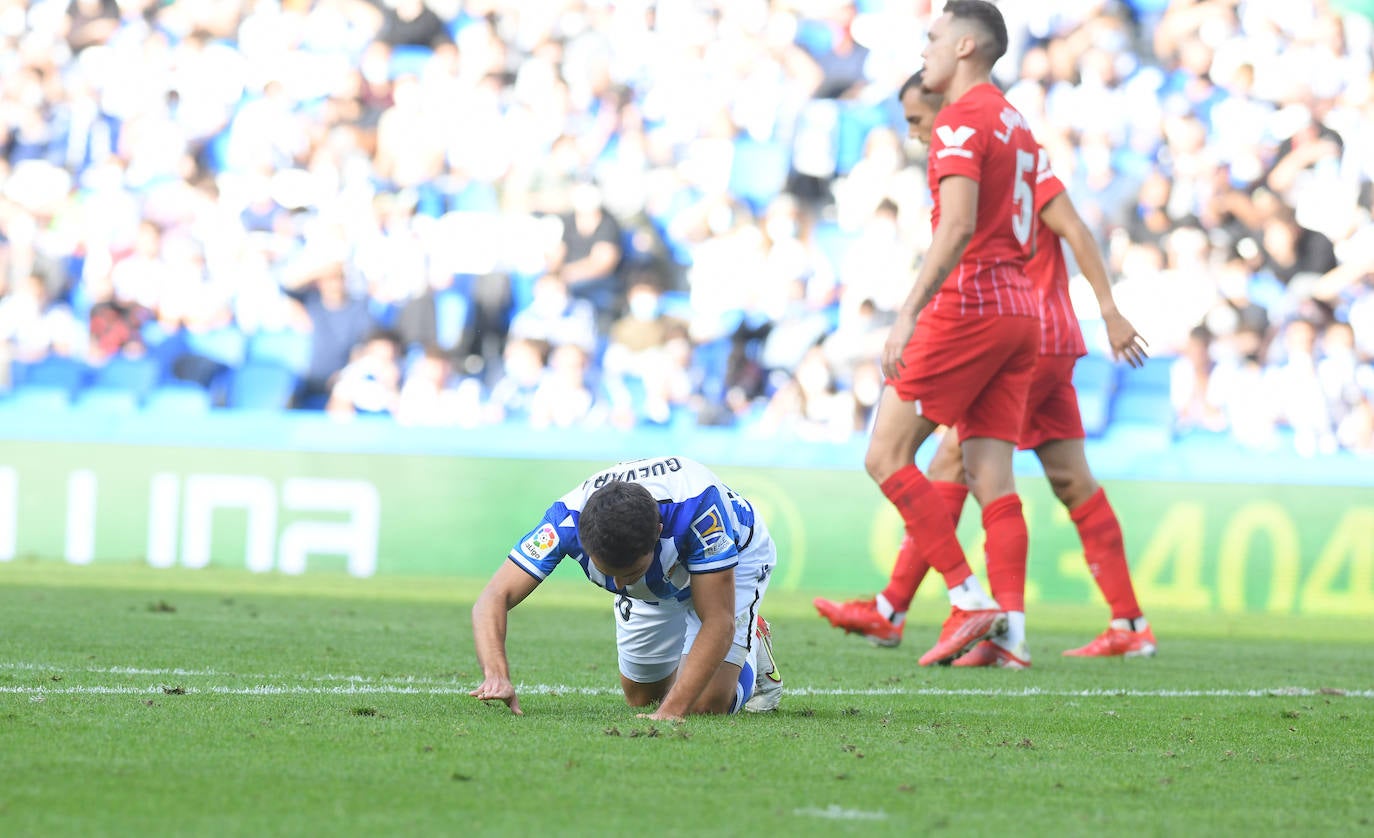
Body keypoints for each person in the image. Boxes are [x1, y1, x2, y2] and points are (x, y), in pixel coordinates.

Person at [816, 76, 1157, 665]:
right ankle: (1127, 622)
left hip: (1017, 328)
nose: (916, 134)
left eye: (918, 121)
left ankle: (905, 609)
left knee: (954, 459)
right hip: (1047, 332)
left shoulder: (998, 155)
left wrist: (1110, 308)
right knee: (1071, 477)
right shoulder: (1010, 147)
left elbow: (1072, 227)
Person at [849, 1, 1042, 668]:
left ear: (965, 46)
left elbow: (957, 227)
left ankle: (966, 599)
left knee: (885, 455)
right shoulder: (1017, 122)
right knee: (991, 472)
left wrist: (908, 311)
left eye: (932, 38)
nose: (924, 48)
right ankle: (1009, 638)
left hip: (972, 302)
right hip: (1022, 306)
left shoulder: (962, 119)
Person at [470, 456, 783, 720]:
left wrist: (670, 713)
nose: (619, 585)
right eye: (610, 575)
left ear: (658, 534)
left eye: (630, 572)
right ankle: (711, 653)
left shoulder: (699, 509)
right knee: (641, 696)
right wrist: (496, 674)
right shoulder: (565, 522)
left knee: (704, 706)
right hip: (655, 584)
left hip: (733, 560)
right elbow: (493, 597)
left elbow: (718, 620)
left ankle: (751, 643)